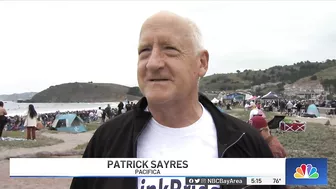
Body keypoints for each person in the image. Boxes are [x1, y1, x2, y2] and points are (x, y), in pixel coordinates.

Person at [70, 11, 280, 189]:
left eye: (169, 49)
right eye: (144, 51)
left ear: (202, 63)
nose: (152, 63)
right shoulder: (106, 141)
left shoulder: (246, 143)